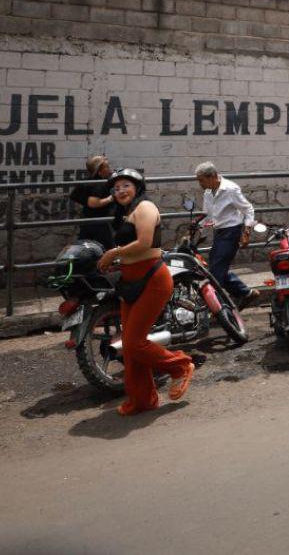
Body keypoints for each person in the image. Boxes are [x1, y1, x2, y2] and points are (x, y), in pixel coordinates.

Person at [97, 168, 194, 413]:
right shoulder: (125, 213)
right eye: (116, 188)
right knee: (129, 346)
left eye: (125, 186)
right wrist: (115, 261)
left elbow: (145, 242)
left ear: (137, 187)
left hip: (153, 279)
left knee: (135, 343)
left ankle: (180, 366)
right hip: (130, 281)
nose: (120, 191)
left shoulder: (146, 208)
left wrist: (113, 253)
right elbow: (131, 250)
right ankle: (142, 401)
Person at [196, 161, 260, 310]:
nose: (200, 184)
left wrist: (246, 233)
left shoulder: (231, 189)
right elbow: (207, 216)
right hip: (219, 233)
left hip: (231, 232)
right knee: (217, 270)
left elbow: (248, 209)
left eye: (201, 180)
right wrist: (197, 231)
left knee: (215, 274)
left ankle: (217, 309)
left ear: (212, 176)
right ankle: (246, 293)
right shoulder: (208, 192)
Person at [69, 155, 114, 250]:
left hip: (87, 220)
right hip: (98, 222)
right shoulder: (98, 184)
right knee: (108, 250)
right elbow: (93, 203)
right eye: (107, 166)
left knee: (85, 249)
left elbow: (74, 195)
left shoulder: (88, 180)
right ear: (100, 170)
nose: (110, 169)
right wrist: (110, 198)